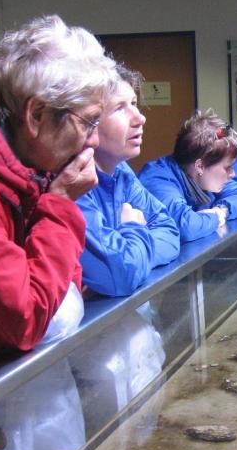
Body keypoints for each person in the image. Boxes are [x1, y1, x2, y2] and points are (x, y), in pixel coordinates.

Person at [0, 14, 116, 379]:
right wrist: (61, 203)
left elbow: (67, 288)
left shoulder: (28, 163)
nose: (95, 141)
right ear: (36, 114)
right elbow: (25, 320)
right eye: (89, 122)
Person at [76, 65, 180, 297]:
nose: (140, 118)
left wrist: (131, 252)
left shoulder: (121, 171)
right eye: (120, 108)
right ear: (88, 122)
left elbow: (170, 231)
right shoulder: (73, 180)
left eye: (134, 103)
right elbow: (120, 275)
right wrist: (134, 228)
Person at [139, 108, 237, 242]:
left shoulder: (204, 178)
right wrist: (215, 217)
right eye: (227, 167)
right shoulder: (157, 181)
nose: (233, 174)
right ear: (200, 166)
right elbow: (185, 226)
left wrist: (222, 209)